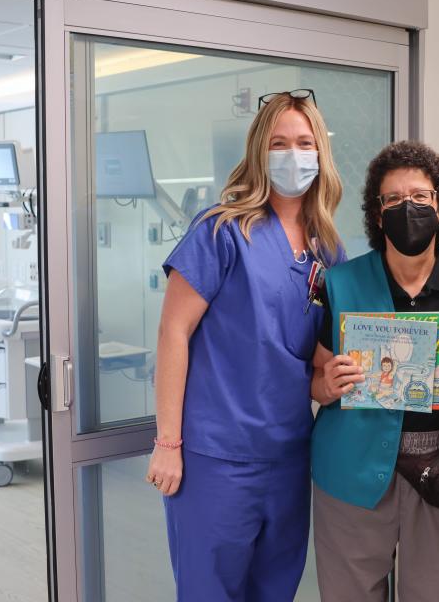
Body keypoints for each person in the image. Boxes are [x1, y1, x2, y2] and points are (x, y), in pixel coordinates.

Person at [145, 89, 343, 601]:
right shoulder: (222, 231)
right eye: (279, 143)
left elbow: (309, 359)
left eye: (304, 142)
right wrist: (167, 442)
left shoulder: (327, 249)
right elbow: (173, 333)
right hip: (217, 458)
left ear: (320, 153)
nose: (293, 154)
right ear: (258, 151)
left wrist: (334, 381)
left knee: (275, 589)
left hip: (289, 455)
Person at [310, 140, 439, 602]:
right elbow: (309, 375)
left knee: (438, 592)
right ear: (376, 215)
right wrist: (325, 386)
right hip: (351, 467)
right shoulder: (340, 282)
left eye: (419, 197)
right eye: (392, 199)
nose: (406, 207)